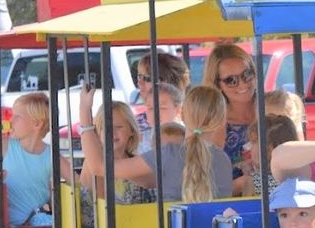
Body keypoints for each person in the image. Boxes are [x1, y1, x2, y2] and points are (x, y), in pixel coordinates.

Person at [79, 85, 232, 203]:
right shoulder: (224, 161)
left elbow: (98, 167)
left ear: (183, 115)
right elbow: (148, 181)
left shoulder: (167, 154)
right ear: (221, 120)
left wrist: (84, 110)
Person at [0, 92, 72, 227]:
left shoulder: (51, 155)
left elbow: (78, 184)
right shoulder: (4, 145)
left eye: (17, 117)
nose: (11, 121)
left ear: (37, 124)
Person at [200, 43, 258, 188]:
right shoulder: (212, 122)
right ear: (217, 84)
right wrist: (242, 184)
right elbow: (206, 187)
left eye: (247, 74)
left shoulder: (273, 108)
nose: (242, 84)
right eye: (231, 80)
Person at [239, 114, 299, 196]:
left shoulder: (252, 182)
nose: (249, 148)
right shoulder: (298, 178)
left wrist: (247, 176)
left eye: (253, 142)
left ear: (269, 148)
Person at [137, 82, 184, 154]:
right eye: (150, 108)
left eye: (162, 108)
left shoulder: (187, 137)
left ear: (178, 109)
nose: (155, 113)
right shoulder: (141, 140)